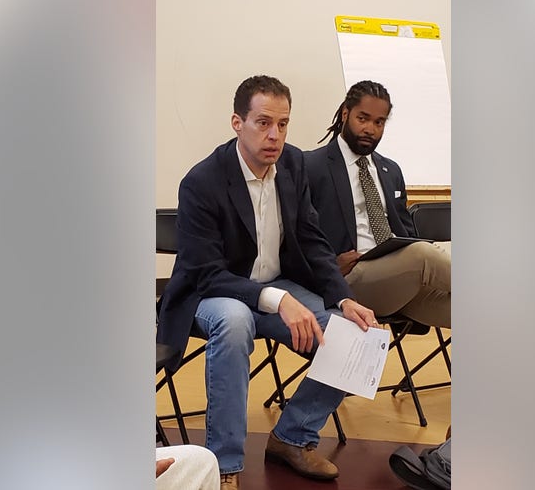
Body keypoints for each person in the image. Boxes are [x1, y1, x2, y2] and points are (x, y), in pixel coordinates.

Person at [157, 75, 377, 490]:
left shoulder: (293, 165)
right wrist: (275, 299)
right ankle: (224, 466)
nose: (274, 135)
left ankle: (292, 437)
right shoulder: (201, 182)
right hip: (214, 293)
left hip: (276, 285)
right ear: (237, 123)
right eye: (262, 123)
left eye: (283, 124)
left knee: (358, 335)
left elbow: (312, 240)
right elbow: (205, 273)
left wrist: (343, 299)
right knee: (236, 321)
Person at [305, 80, 450, 328]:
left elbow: (407, 233)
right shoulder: (311, 166)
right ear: (345, 114)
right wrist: (329, 266)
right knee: (423, 254)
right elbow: (299, 236)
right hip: (350, 280)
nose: (370, 129)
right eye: (363, 118)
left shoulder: (390, 170)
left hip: (400, 282)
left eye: (379, 122)